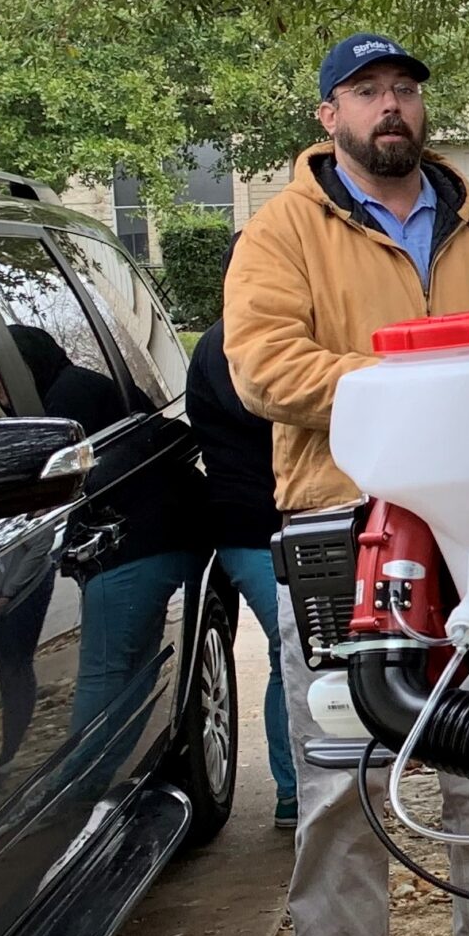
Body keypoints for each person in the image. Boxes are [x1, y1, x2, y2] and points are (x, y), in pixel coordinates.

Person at [225, 32, 469, 936]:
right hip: (343, 526)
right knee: (342, 767)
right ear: (330, 115)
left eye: (405, 87)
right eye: (367, 90)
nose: (391, 105)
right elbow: (262, 366)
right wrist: (411, 389)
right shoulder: (281, 232)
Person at [187, 256, 295, 830]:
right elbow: (274, 410)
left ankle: (299, 788)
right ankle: (294, 791)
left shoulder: (253, 334)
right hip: (252, 528)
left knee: (297, 655)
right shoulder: (229, 342)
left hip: (272, 524)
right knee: (293, 653)